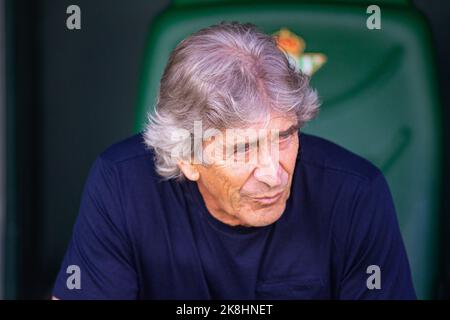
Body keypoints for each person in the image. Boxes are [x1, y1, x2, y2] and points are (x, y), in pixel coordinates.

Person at [52, 22, 416, 299]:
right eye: (243, 149)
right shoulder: (121, 183)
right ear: (187, 157)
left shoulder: (355, 193)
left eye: (285, 136)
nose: (275, 175)